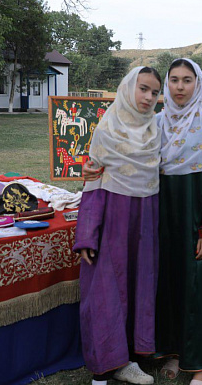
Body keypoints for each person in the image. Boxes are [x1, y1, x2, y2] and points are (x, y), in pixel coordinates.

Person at [73, 66, 162, 385]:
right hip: (111, 219)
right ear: (128, 88)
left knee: (137, 287)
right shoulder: (107, 129)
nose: (149, 97)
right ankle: (103, 368)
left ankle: (128, 361)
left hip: (144, 218)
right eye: (143, 88)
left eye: (154, 92)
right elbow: (92, 184)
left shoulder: (154, 130)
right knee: (106, 291)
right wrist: (86, 234)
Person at [154, 58, 202, 385]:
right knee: (167, 286)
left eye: (187, 80)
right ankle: (172, 353)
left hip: (197, 220)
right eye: (174, 80)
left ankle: (201, 367)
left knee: (196, 290)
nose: (180, 87)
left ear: (198, 84)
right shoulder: (156, 124)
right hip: (162, 220)